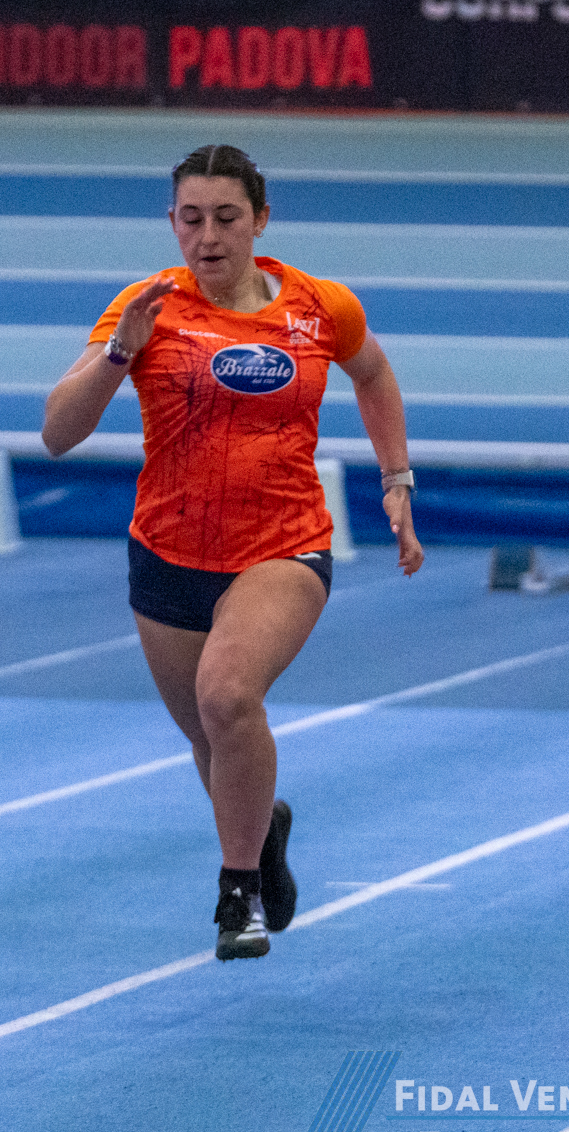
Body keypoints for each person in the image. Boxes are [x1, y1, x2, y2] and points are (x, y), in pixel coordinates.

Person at [44, 144, 424, 961]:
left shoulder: (321, 306)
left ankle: (238, 890)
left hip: (283, 544)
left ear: (261, 220)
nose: (208, 236)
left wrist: (396, 477)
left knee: (227, 696)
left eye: (225, 218)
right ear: (171, 223)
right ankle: (263, 826)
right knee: (212, 740)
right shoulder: (144, 307)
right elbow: (57, 434)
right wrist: (120, 354)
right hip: (169, 552)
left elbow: (374, 374)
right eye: (191, 219)